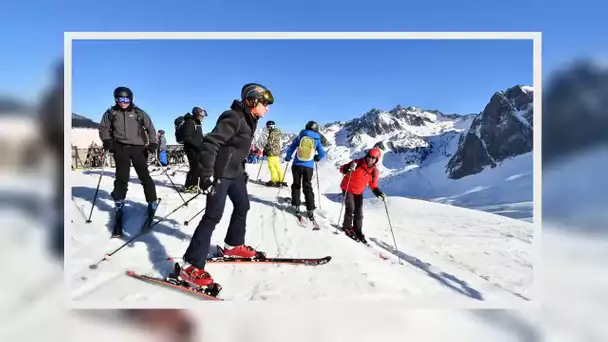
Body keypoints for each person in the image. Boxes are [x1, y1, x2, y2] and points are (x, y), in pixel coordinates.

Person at [179, 83, 274, 288]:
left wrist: (241, 169)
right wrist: (206, 175)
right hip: (220, 174)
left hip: (236, 174)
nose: (268, 108)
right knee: (213, 216)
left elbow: (235, 150)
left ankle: (233, 245)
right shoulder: (233, 117)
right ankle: (191, 265)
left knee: (243, 205)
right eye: (265, 103)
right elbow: (211, 143)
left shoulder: (251, 120)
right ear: (252, 100)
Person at [98, 86, 159, 234]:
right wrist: (106, 141)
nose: (123, 102)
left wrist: (153, 143)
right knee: (121, 176)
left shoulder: (139, 113)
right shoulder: (111, 113)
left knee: (144, 175)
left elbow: (150, 128)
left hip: (138, 147)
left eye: (126, 99)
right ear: (116, 100)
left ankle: (152, 201)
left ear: (130, 99)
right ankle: (119, 202)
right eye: (120, 99)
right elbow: (103, 128)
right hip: (120, 147)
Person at [338, 147, 387, 244]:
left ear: (376, 160)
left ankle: (357, 230)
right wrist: (348, 168)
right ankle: (347, 227)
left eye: (373, 158)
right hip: (347, 188)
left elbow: (373, 184)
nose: (370, 159)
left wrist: (378, 192)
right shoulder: (357, 163)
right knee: (350, 208)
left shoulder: (374, 172)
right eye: (369, 156)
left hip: (358, 192)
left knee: (359, 213)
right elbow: (342, 169)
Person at [284, 120, 327, 221]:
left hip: (297, 165)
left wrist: (288, 157)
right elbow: (322, 153)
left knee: (296, 185)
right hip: (309, 167)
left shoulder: (301, 136)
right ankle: (310, 208)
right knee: (307, 186)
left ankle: (296, 205)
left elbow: (291, 147)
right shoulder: (317, 139)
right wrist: (316, 158)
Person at [181, 106, 206, 192]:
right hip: (191, 149)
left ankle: (193, 184)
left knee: (196, 168)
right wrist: (198, 145)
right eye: (201, 115)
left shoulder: (197, 123)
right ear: (196, 114)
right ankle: (190, 185)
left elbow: (198, 137)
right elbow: (187, 137)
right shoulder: (189, 122)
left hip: (197, 149)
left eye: (203, 116)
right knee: (195, 167)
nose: (202, 117)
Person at [262, 120, 287, 187]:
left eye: (268, 127)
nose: (267, 128)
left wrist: (265, 150)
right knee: (277, 167)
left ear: (270, 126)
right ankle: (281, 180)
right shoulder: (277, 132)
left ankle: (274, 180)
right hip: (277, 152)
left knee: (271, 166)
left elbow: (270, 143)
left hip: (272, 152)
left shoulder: (272, 133)